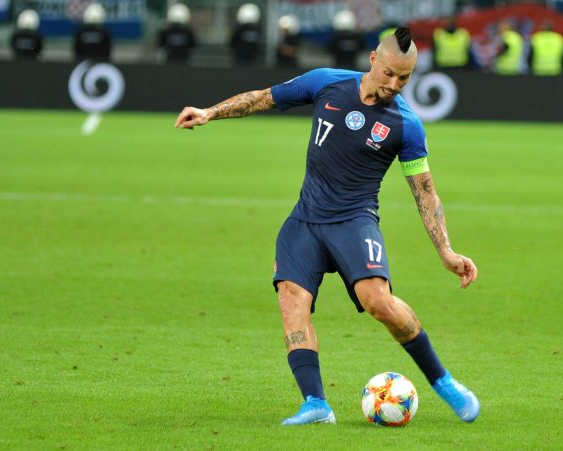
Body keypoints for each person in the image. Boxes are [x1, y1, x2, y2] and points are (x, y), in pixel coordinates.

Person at [174, 27, 480, 426]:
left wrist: (445, 250)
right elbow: (264, 97)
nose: (394, 84)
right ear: (373, 59)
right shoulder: (326, 82)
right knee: (291, 302)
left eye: (404, 78)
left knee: (379, 303)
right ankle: (316, 404)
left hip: (354, 222)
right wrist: (211, 112)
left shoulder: (406, 125)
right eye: (389, 73)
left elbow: (425, 193)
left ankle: (444, 382)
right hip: (305, 220)